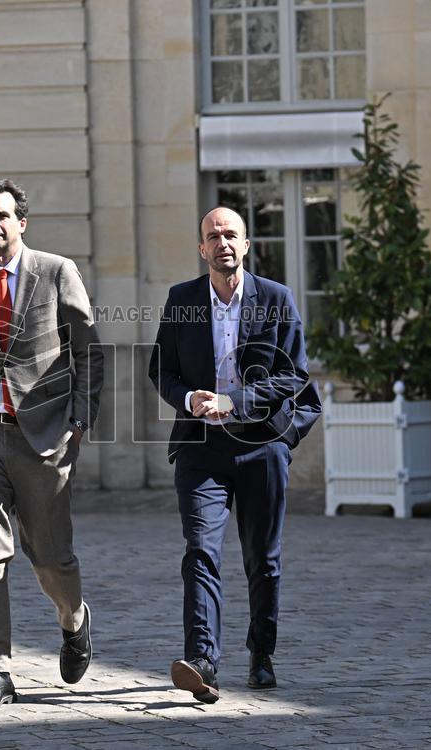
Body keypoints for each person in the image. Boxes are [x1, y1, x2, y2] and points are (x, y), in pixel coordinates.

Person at [0, 178, 104, 708]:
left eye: (3, 215)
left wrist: (80, 419)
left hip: (44, 437)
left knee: (52, 558)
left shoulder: (56, 272)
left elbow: (89, 352)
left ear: (21, 223)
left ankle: (74, 622)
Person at [148, 206, 321, 704]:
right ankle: (202, 661)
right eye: (212, 236)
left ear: (246, 245)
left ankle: (261, 652)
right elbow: (162, 370)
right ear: (201, 249)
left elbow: (293, 376)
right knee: (200, 550)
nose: (222, 242)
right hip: (201, 447)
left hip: (261, 446)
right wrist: (190, 399)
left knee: (261, 560)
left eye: (231, 234)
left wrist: (234, 401)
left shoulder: (276, 299)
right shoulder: (181, 300)